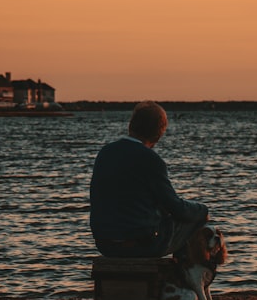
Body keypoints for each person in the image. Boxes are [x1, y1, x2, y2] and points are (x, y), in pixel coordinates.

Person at [89, 101, 208, 259]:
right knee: (196, 219)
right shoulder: (151, 160)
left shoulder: (105, 153)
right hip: (141, 246)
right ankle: (184, 279)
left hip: (105, 245)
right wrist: (203, 210)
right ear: (159, 133)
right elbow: (176, 208)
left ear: (131, 125)